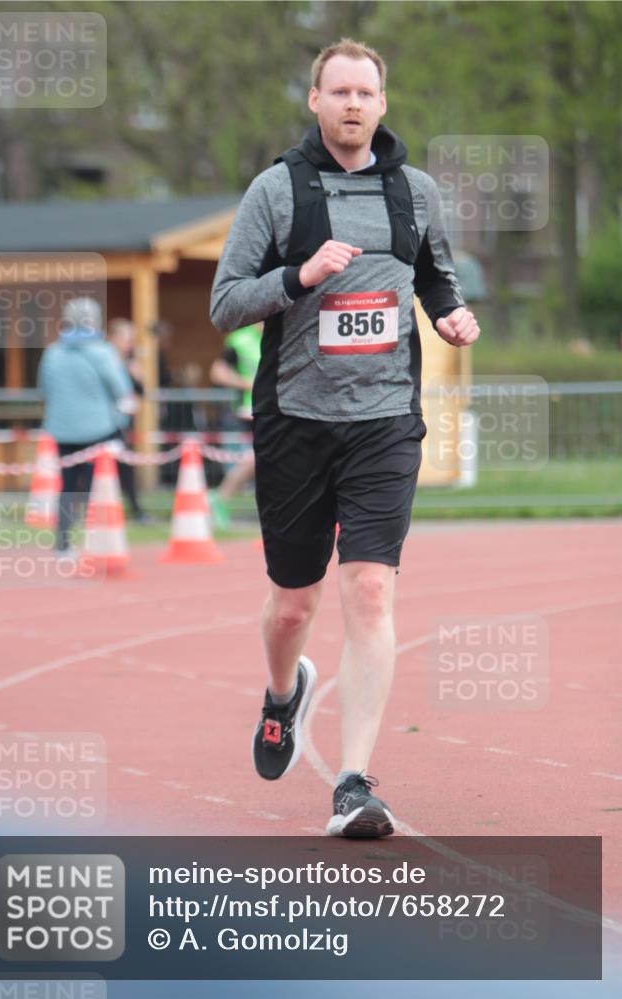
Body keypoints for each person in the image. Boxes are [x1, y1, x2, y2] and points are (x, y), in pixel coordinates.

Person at [210, 39, 480, 838]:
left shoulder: (416, 191)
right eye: (339, 92)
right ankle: (281, 690)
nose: (354, 104)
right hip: (295, 421)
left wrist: (448, 316)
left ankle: (354, 783)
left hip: (384, 421)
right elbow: (225, 305)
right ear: (315, 101)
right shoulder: (276, 192)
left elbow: (433, 274)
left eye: (366, 91)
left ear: (382, 103)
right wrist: (299, 278)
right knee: (294, 604)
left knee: (368, 589)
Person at [37, 298, 135, 554]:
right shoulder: (103, 352)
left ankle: (63, 542)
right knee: (98, 487)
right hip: (98, 429)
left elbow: (43, 390)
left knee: (67, 485)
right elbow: (120, 389)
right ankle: (96, 544)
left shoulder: (52, 352)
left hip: (62, 429)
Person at [208, 324, 261, 530]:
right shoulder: (239, 340)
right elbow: (217, 373)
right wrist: (246, 383)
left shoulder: (286, 329)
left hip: (279, 408)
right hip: (248, 410)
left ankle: (220, 498)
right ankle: (220, 498)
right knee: (253, 460)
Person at [107, 317, 149, 523]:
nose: (130, 345)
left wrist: (137, 377)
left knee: (126, 468)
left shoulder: (130, 363)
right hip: (105, 423)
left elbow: (141, 392)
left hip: (123, 423)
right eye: (126, 339)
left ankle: (135, 510)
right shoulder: (105, 361)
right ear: (113, 338)